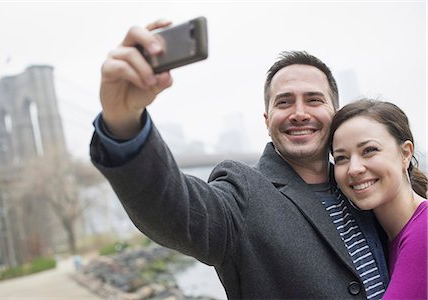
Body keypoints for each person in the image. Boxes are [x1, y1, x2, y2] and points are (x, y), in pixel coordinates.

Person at [90, 19, 389, 299]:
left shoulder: (361, 184)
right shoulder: (242, 193)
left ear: (334, 115)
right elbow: (172, 206)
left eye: (313, 99)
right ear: (267, 119)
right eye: (284, 102)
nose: (299, 113)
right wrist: (124, 122)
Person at [330, 99, 428, 299]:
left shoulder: (423, 232)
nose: (354, 168)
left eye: (369, 150)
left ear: (405, 153)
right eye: (341, 158)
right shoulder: (384, 238)